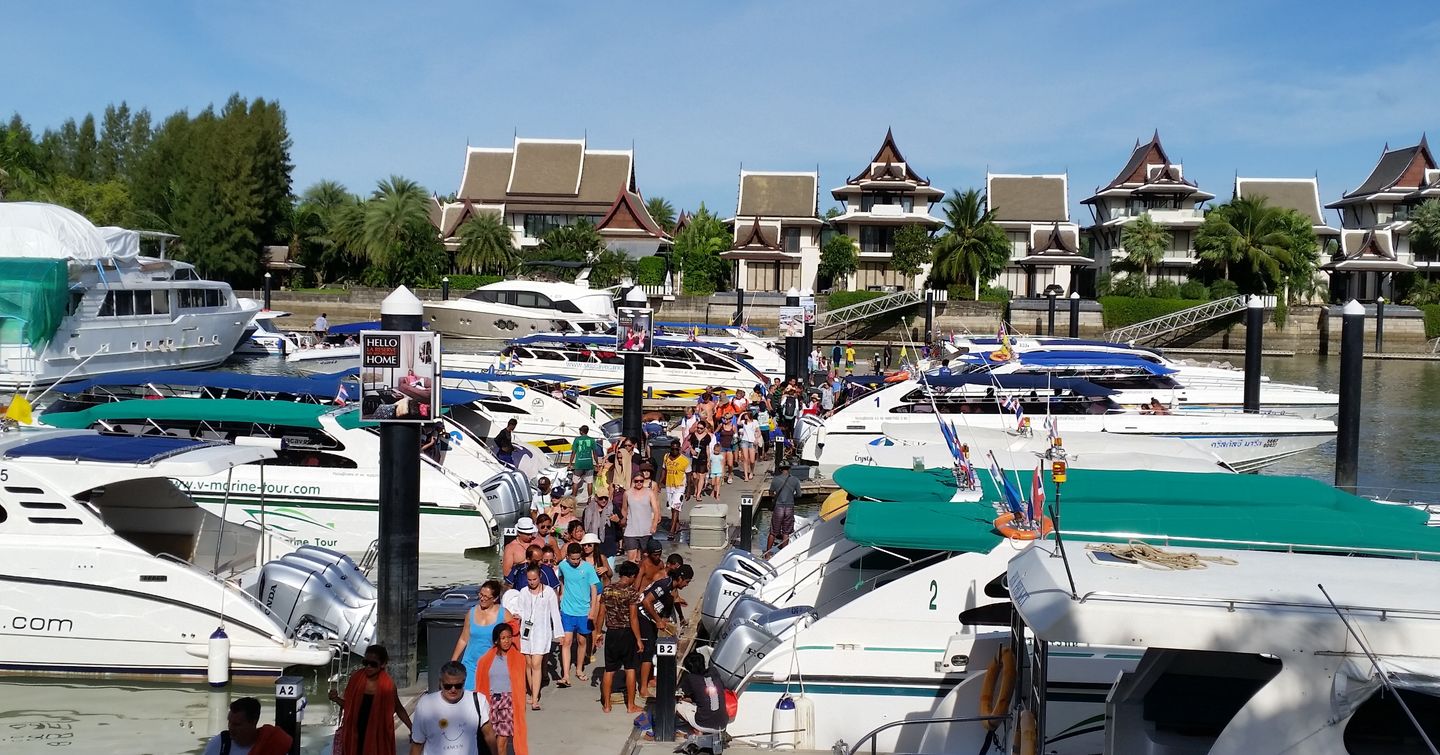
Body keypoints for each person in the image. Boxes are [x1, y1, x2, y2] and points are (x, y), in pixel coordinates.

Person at [329, 644, 412, 755]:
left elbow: (398, 708)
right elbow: (349, 706)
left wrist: (412, 728)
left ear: (382, 664)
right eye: (365, 663)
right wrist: (336, 699)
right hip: (355, 733)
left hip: (376, 734)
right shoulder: (356, 679)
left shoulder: (387, 685)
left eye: (373, 664)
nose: (368, 667)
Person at [409, 660, 497, 755]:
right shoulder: (425, 704)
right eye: (448, 686)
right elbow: (417, 743)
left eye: (458, 686)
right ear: (440, 683)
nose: (453, 690)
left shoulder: (479, 700)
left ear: (464, 682)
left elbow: (489, 736)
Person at [637, 564, 694, 697]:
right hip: (642, 617)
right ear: (680, 578)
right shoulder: (664, 585)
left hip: (649, 616)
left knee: (651, 649)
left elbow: (671, 599)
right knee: (648, 652)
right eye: (687, 581)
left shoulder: (670, 586)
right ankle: (643, 688)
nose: (687, 585)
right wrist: (658, 620)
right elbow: (646, 602)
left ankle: (650, 679)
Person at [596, 560, 645, 713]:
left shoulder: (607, 589)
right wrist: (638, 639)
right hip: (627, 633)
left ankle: (607, 705)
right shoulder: (631, 592)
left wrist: (598, 632)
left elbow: (601, 613)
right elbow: (633, 618)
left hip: (611, 632)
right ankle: (630, 705)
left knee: (609, 669)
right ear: (631, 576)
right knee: (630, 668)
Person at [513, 565, 563, 710]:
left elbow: (555, 613)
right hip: (526, 633)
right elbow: (520, 609)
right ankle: (531, 691)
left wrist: (559, 634)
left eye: (534, 579)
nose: (532, 582)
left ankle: (535, 698)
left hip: (542, 632)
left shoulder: (548, 593)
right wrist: (517, 615)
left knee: (536, 664)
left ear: (540, 577)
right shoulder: (523, 592)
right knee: (528, 664)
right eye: (529, 580)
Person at [473, 625, 528, 755]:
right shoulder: (485, 660)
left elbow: (521, 683)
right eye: (503, 638)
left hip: (508, 703)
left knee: (502, 741)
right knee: (490, 740)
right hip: (491, 702)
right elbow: (480, 683)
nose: (507, 641)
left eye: (509, 637)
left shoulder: (519, 659)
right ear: (496, 640)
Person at [557, 543, 602, 687]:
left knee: (582, 642)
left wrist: (593, 610)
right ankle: (565, 675)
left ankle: (579, 669)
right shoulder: (563, 566)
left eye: (577, 559)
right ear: (567, 557)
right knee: (566, 642)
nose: (575, 562)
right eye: (573, 559)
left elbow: (594, 589)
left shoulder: (588, 568)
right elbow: (562, 579)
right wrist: (562, 593)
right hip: (567, 610)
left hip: (583, 611)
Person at [450, 580, 508, 691]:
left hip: (492, 666)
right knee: (468, 698)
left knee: (486, 702)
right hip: (470, 664)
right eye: (481, 595)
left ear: (494, 599)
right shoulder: (471, 613)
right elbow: (463, 638)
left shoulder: (504, 614)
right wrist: (454, 660)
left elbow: (512, 638)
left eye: (486, 597)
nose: (482, 599)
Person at [202, 697, 292, 755]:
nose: (231, 727)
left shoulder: (272, 745)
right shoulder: (220, 743)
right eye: (229, 722)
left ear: (253, 722)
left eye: (237, 724)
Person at [676, 650, 728, 736]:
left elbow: (679, 694)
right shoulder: (714, 672)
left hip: (703, 724)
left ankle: (696, 730)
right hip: (722, 725)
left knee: (677, 705)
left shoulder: (691, 678)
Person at [620, 472, 660, 563]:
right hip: (631, 530)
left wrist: (654, 525)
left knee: (645, 558)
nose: (639, 483)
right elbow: (624, 509)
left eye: (641, 481)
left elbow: (656, 510)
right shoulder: (627, 493)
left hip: (646, 530)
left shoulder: (649, 493)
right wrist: (622, 522)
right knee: (631, 559)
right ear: (633, 481)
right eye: (636, 481)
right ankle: (632, 576)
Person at [767, 463, 802, 551]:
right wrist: (791, 496)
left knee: (773, 532)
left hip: (779, 507)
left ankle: (767, 554)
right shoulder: (795, 480)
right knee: (786, 532)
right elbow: (799, 494)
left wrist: (776, 496)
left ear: (780, 469)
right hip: (789, 507)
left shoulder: (775, 479)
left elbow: (771, 493)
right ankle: (783, 554)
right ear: (789, 469)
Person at [662, 444, 689, 537]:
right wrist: (660, 482)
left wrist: (688, 490)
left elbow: (689, 475)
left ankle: (672, 530)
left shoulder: (685, 460)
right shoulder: (666, 457)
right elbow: (664, 470)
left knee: (675, 508)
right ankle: (677, 525)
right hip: (669, 486)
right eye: (672, 449)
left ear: (679, 449)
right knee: (672, 507)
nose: (674, 451)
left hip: (680, 487)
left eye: (676, 449)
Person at [571, 425, 599, 501]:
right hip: (589, 464)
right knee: (589, 482)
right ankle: (589, 499)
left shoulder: (577, 439)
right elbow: (595, 453)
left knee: (575, 481)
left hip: (579, 464)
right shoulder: (592, 440)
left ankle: (573, 498)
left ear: (581, 431)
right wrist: (597, 463)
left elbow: (573, 452)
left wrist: (570, 463)